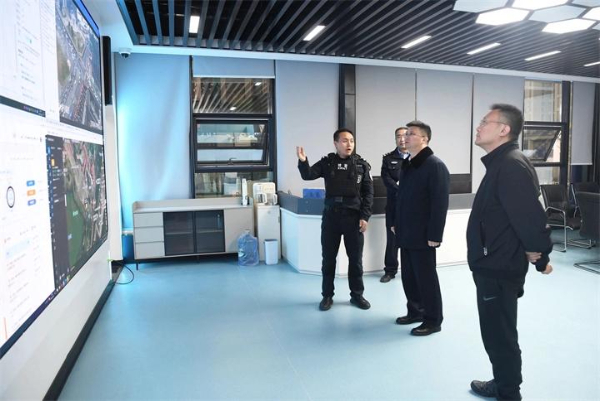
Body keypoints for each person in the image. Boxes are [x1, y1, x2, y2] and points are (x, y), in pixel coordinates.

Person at [468, 104, 553, 401]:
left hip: (499, 267)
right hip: (494, 262)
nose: (479, 126)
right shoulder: (501, 163)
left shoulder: (510, 165)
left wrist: (540, 255)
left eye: (485, 121)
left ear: (504, 130)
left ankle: (508, 392)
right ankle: (503, 382)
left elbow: (529, 217)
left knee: (500, 334)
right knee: (496, 331)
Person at [297, 128, 374, 311]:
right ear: (336, 143)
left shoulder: (362, 165)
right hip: (331, 217)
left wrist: (365, 216)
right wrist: (303, 161)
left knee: (355, 260)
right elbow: (308, 175)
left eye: (352, 141)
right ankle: (327, 296)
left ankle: (357, 295)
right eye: (345, 141)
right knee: (328, 259)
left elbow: (368, 193)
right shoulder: (327, 163)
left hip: (353, 218)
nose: (349, 144)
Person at [390, 120, 449, 336]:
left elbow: (439, 203)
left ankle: (433, 320)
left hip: (424, 235)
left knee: (426, 279)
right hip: (406, 231)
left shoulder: (435, 165)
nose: (405, 137)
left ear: (424, 138)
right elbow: (402, 198)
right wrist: (396, 222)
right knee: (409, 276)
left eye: (411, 134)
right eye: (405, 134)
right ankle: (415, 311)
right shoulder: (408, 163)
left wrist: (435, 234)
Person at [380, 127, 409, 283]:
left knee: (411, 239)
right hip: (394, 206)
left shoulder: (417, 157)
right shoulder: (388, 158)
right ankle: (390, 271)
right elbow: (386, 179)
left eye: (405, 135)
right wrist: (402, 188)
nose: (402, 139)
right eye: (398, 136)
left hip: (412, 207)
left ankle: (410, 271)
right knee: (392, 240)